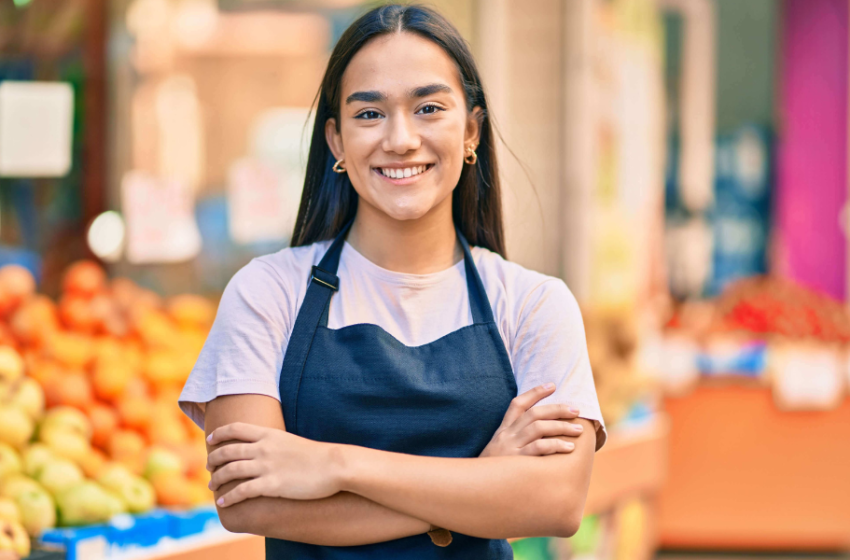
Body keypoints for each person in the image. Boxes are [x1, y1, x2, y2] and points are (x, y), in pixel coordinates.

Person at [178, 4, 608, 558]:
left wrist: (334, 464)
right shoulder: (267, 292)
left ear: (471, 128)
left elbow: (556, 502)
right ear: (336, 141)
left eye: (429, 108)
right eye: (369, 114)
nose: (401, 139)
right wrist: (479, 486)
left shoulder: (533, 303)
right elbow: (248, 502)